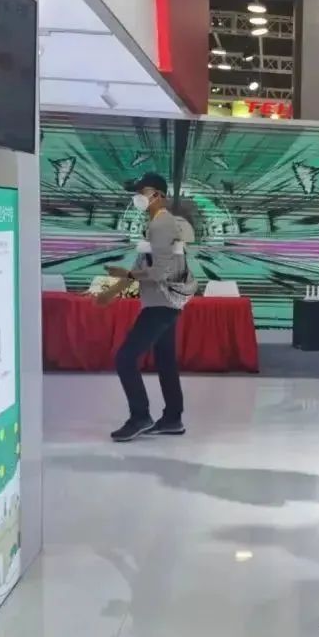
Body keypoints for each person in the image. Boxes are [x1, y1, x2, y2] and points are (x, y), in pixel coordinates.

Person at [99, 173, 197, 442]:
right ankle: (173, 418)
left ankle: (140, 416)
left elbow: (160, 272)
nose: (139, 197)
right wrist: (113, 290)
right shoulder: (157, 224)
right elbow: (143, 266)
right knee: (165, 360)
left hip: (161, 304)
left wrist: (126, 276)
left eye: (144, 192)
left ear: (160, 195)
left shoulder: (162, 225)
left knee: (125, 358)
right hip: (164, 303)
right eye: (138, 192)